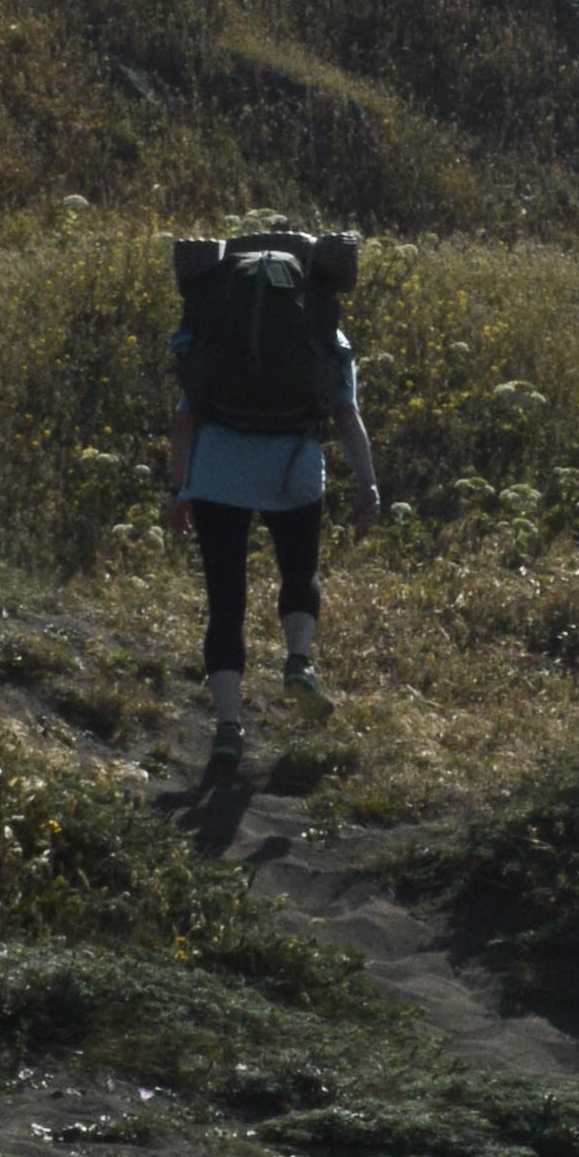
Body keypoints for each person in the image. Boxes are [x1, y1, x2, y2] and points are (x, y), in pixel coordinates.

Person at [163, 224, 382, 779]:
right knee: (300, 570)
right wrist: (368, 484)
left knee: (225, 603)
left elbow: (186, 416)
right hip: (294, 468)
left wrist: (177, 491)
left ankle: (229, 731)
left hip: (217, 473)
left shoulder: (214, 320)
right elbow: (346, 416)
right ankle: (298, 661)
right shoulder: (322, 329)